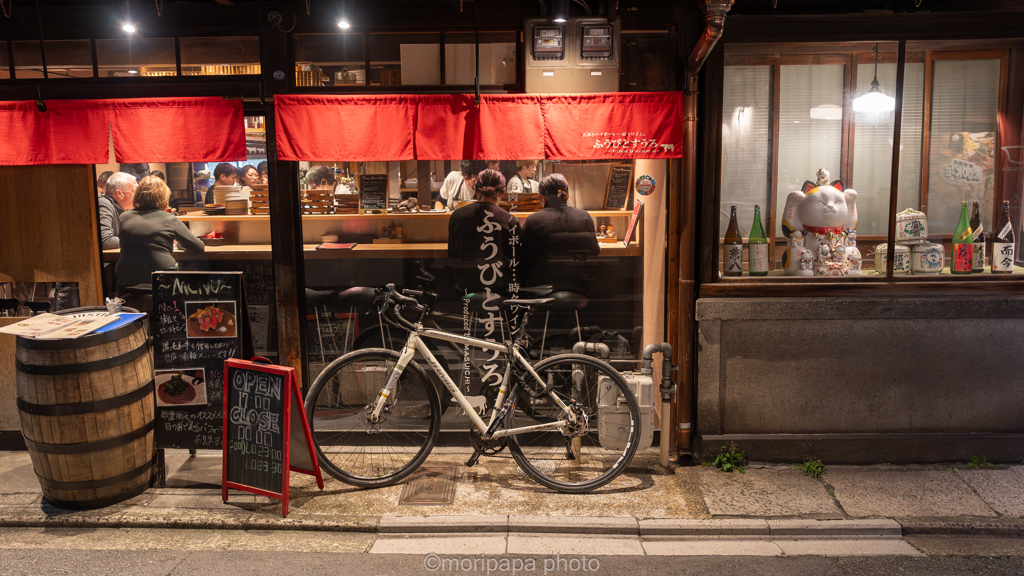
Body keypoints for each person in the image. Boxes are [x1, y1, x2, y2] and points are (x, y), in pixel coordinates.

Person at [116, 176, 205, 311]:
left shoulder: (124, 216)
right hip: (162, 279)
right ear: (163, 197)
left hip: (126, 280)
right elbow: (198, 248)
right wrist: (181, 243)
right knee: (198, 269)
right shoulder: (169, 219)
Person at [520, 173, 601, 295]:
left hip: (543, 287)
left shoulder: (533, 220)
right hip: (580, 287)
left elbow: (524, 257)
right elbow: (595, 251)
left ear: (543, 197)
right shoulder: (585, 217)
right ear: (567, 196)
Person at [448, 169, 519, 295]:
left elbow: (452, 254)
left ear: (477, 191)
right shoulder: (510, 220)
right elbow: (516, 258)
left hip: (466, 283)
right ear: (501, 193)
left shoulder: (457, 216)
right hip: (500, 285)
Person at [97, 172, 138, 250]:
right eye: (134, 191)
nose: (138, 195)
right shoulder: (104, 203)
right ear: (119, 194)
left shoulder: (126, 208)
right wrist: (138, 240)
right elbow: (105, 241)